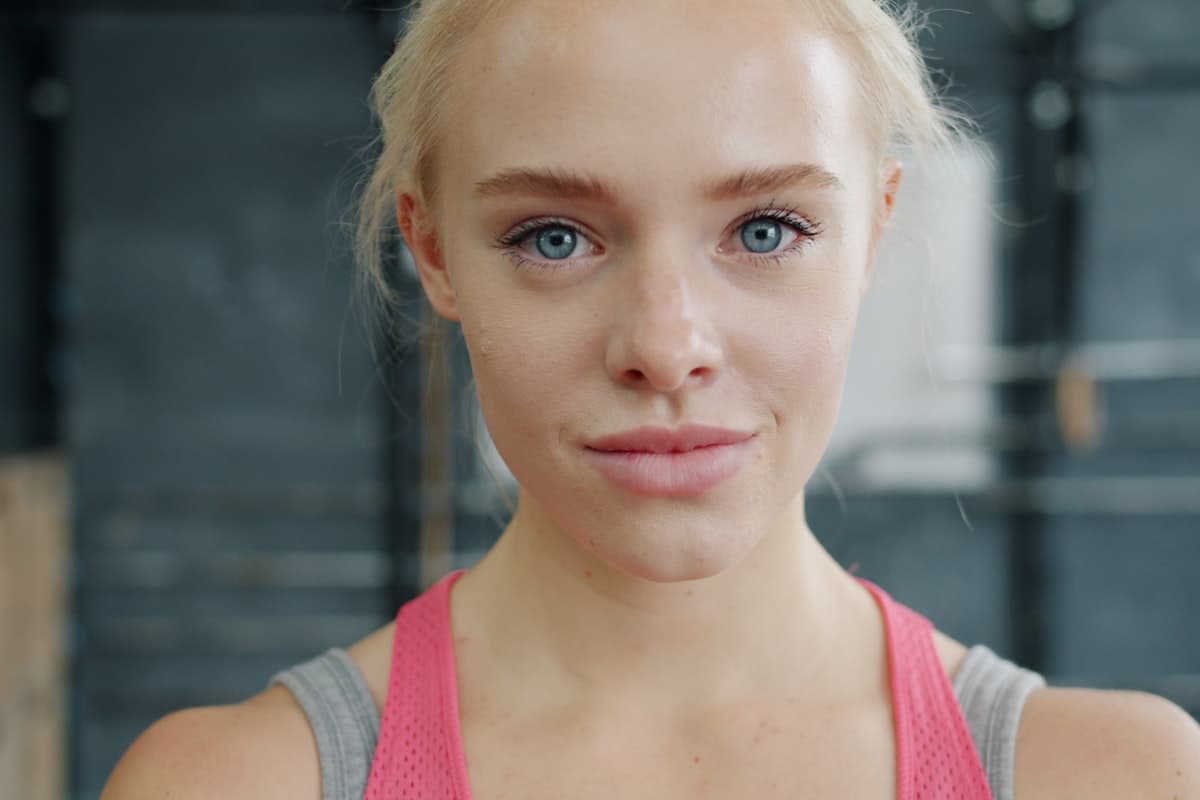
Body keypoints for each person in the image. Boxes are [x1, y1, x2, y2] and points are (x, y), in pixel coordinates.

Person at [103, 1, 1200, 798]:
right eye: (554, 238)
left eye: (765, 229)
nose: (667, 349)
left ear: (874, 230)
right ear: (432, 250)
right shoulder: (234, 784)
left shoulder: (1120, 779)